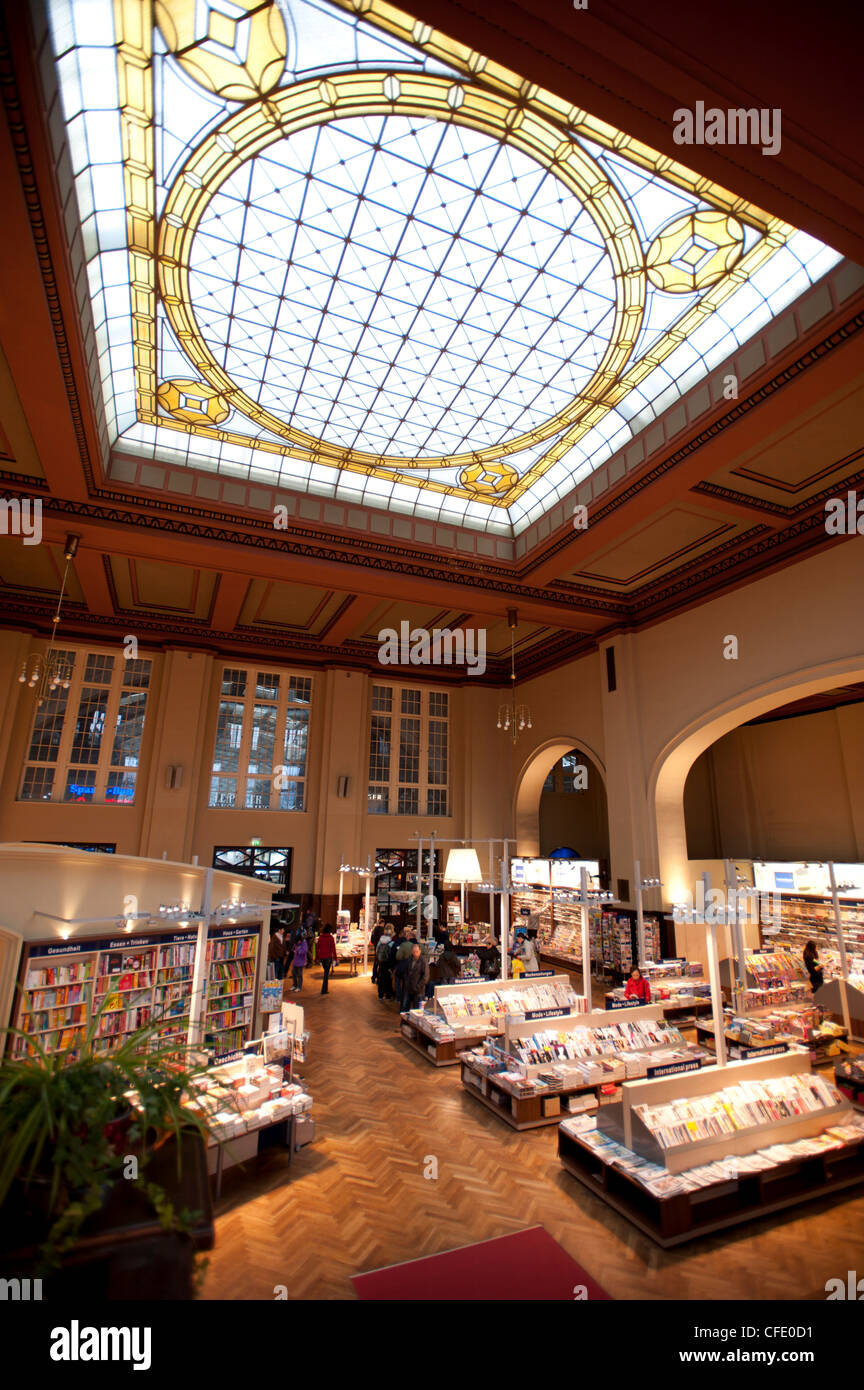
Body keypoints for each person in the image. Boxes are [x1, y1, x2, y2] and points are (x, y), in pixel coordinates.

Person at [403, 943, 429, 1011]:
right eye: (414, 952)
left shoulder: (423, 961)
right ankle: (404, 1021)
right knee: (405, 1007)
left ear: (420, 951)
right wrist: (406, 982)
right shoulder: (409, 960)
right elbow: (406, 972)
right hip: (409, 988)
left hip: (419, 990)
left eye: (417, 952)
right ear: (412, 951)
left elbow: (425, 977)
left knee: (417, 1009)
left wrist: (418, 986)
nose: (415, 953)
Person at [316, 922, 337, 995]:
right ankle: (324, 989)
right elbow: (333, 948)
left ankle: (324, 989)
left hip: (322, 957)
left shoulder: (321, 937)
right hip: (328, 958)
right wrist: (335, 958)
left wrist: (317, 957)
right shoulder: (331, 938)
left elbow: (317, 947)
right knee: (326, 974)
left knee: (326, 972)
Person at [376, 926, 394, 1000]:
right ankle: (388, 995)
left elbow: (377, 951)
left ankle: (380, 994)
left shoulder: (380, 941)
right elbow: (392, 953)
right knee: (388, 979)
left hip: (381, 961)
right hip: (388, 962)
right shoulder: (390, 942)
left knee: (381, 978)